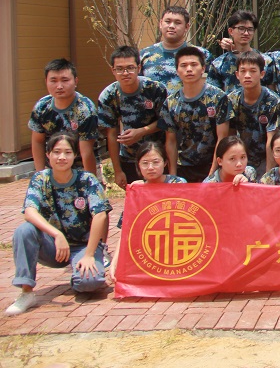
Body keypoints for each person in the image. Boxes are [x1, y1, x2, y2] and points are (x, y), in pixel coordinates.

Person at [7, 132, 110, 315]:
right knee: (24, 231)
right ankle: (26, 292)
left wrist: (89, 254)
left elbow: (100, 215)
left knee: (90, 283)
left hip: (83, 245)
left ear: (75, 155)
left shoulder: (87, 180)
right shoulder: (40, 179)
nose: (62, 157)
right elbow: (29, 212)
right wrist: (57, 234)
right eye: (56, 152)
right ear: (48, 155)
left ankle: (78, 275)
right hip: (53, 246)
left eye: (67, 152)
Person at [105, 142, 185, 287]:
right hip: (148, 247)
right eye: (145, 163)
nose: (150, 167)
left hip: (177, 243)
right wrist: (115, 263)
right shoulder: (136, 190)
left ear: (165, 163)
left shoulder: (178, 183)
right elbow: (126, 231)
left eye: (156, 162)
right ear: (138, 166)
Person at [159, 47, 233, 183]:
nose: (189, 69)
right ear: (177, 71)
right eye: (183, 65)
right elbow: (171, 141)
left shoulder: (218, 97)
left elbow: (222, 138)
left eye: (194, 64)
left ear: (203, 68)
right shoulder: (171, 102)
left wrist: (212, 174)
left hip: (211, 166)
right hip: (183, 166)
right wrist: (173, 176)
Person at [98, 46, 168, 187]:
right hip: (129, 157)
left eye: (130, 68)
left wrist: (142, 131)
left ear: (139, 68)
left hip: (157, 156)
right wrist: (117, 170)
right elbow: (111, 134)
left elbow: (165, 121)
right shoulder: (108, 96)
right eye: (119, 69)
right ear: (113, 70)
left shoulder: (155, 89)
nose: (125, 73)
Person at [29, 58, 99, 174]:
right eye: (53, 81)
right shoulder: (41, 106)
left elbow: (87, 152)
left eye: (65, 80)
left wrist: (89, 181)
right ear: (46, 81)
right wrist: (40, 176)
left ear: (75, 81)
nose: (59, 86)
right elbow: (37, 141)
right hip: (52, 167)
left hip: (79, 168)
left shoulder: (85, 110)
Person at [140, 5, 211, 96]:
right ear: (160, 24)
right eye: (168, 21)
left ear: (186, 27)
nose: (172, 26)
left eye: (177, 23)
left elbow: (208, 88)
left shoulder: (202, 55)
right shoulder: (144, 55)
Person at [226, 51, 279, 172]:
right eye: (243, 71)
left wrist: (268, 175)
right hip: (240, 157)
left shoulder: (272, 101)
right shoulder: (232, 100)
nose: (247, 75)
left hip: (266, 158)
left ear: (262, 74)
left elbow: (271, 140)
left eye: (253, 71)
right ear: (237, 74)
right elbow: (230, 137)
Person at [208, 10, 270, 93]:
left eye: (250, 29)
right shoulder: (219, 64)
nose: (246, 33)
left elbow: (272, 91)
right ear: (231, 31)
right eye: (241, 29)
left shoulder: (266, 60)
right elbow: (213, 94)